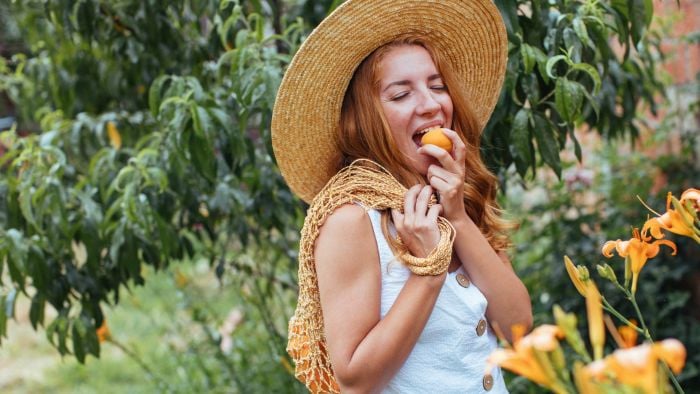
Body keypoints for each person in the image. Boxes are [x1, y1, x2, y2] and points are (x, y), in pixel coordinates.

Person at [271, 0, 532, 392]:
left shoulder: (452, 197)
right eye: (401, 94)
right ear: (362, 120)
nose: (430, 105)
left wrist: (459, 218)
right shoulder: (352, 219)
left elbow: (517, 330)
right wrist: (428, 272)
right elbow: (355, 379)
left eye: (437, 86)